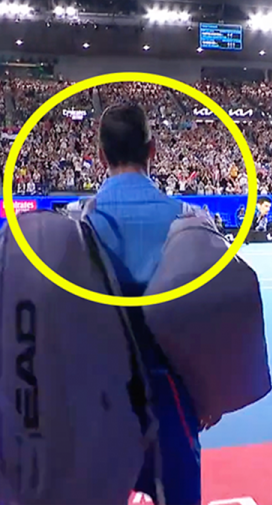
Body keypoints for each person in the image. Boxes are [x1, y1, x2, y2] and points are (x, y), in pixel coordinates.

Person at [82, 103, 217, 504]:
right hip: (172, 390)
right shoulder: (191, 219)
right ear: (153, 150)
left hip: (101, 390)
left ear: (100, 155)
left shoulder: (79, 223)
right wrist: (209, 390)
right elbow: (208, 314)